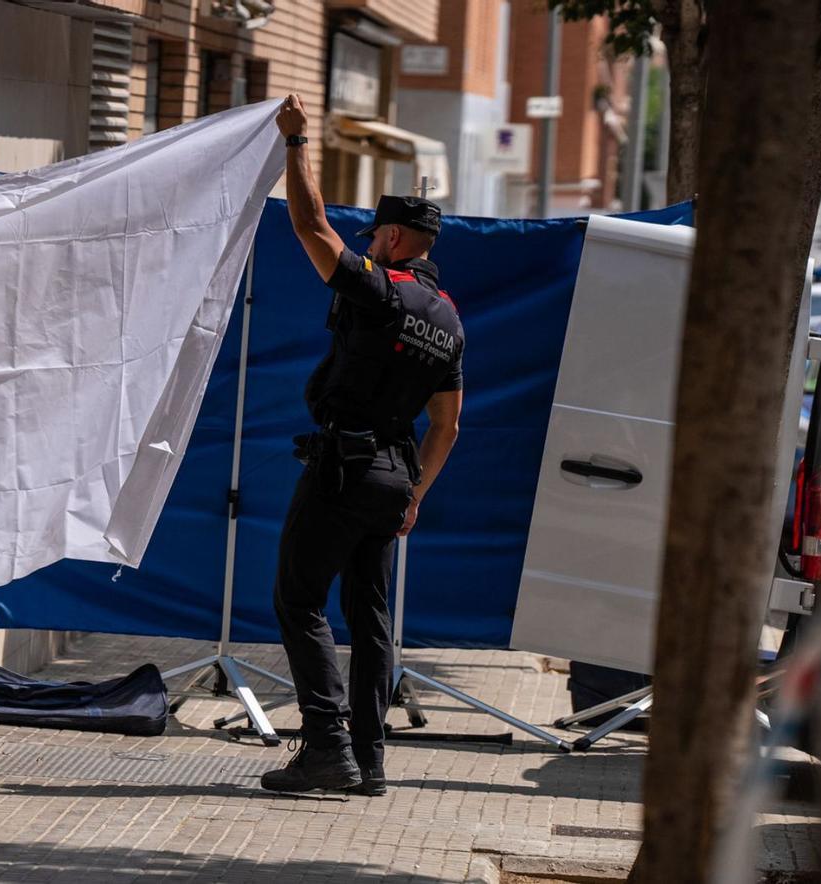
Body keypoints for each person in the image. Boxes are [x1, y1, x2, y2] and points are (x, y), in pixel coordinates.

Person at [261, 94, 465, 795]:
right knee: (370, 617)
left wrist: (296, 143)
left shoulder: (383, 292)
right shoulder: (449, 322)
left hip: (344, 468)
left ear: (399, 241)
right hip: (392, 479)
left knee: (299, 601)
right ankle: (371, 761)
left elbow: (311, 224)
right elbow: (448, 424)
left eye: (378, 235)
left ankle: (326, 747)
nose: (370, 242)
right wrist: (416, 494)